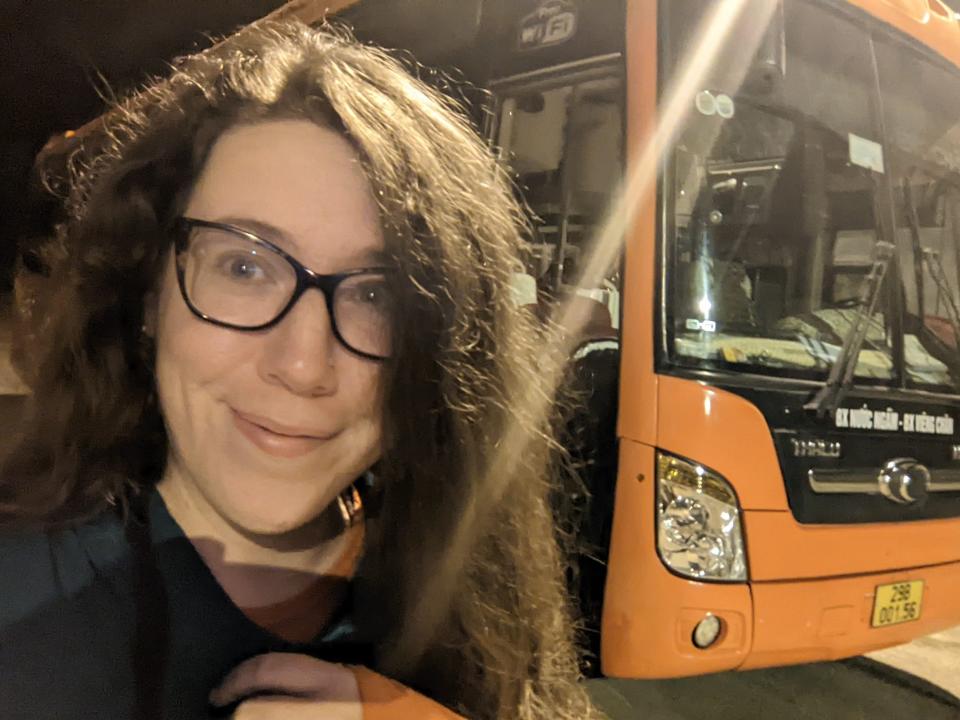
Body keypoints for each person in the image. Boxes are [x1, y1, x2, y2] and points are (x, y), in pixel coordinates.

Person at [0, 20, 600, 720]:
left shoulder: (466, 579)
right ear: (148, 293)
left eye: (377, 293)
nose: (304, 364)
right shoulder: (22, 609)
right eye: (245, 266)